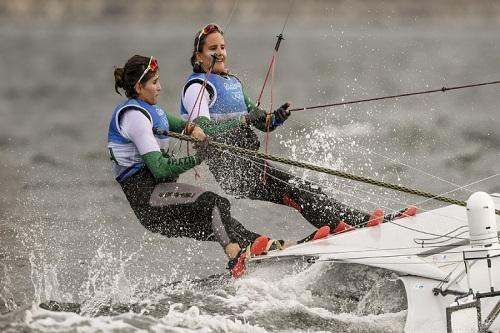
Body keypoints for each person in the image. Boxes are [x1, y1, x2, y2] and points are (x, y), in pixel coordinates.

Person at [179, 23, 416, 237]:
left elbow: (261, 123)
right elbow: (203, 128)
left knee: (309, 188)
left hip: (252, 162)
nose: (219, 52)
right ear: (199, 55)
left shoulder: (232, 83)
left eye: (222, 46)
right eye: (213, 48)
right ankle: (347, 228)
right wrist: (244, 119)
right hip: (232, 170)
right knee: (297, 190)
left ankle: (360, 222)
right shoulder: (198, 87)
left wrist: (276, 118)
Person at [108, 54, 274, 277]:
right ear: (139, 86)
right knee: (215, 203)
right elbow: (159, 169)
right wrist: (197, 158)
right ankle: (237, 260)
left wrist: (194, 129)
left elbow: (183, 126)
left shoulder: (151, 110)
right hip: (149, 200)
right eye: (154, 82)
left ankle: (264, 249)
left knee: (223, 222)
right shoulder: (134, 116)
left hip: (159, 199)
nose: (160, 87)